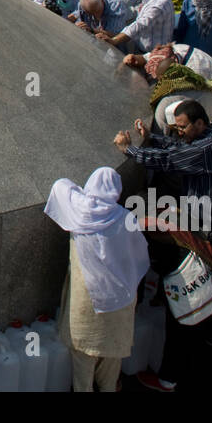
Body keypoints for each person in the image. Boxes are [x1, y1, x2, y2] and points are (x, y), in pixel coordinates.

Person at [45, 166, 149, 392]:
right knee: (111, 358)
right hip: (119, 300)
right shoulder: (124, 219)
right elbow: (139, 255)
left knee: (83, 356)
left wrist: (83, 194)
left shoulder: (78, 210)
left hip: (86, 299)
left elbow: (60, 184)